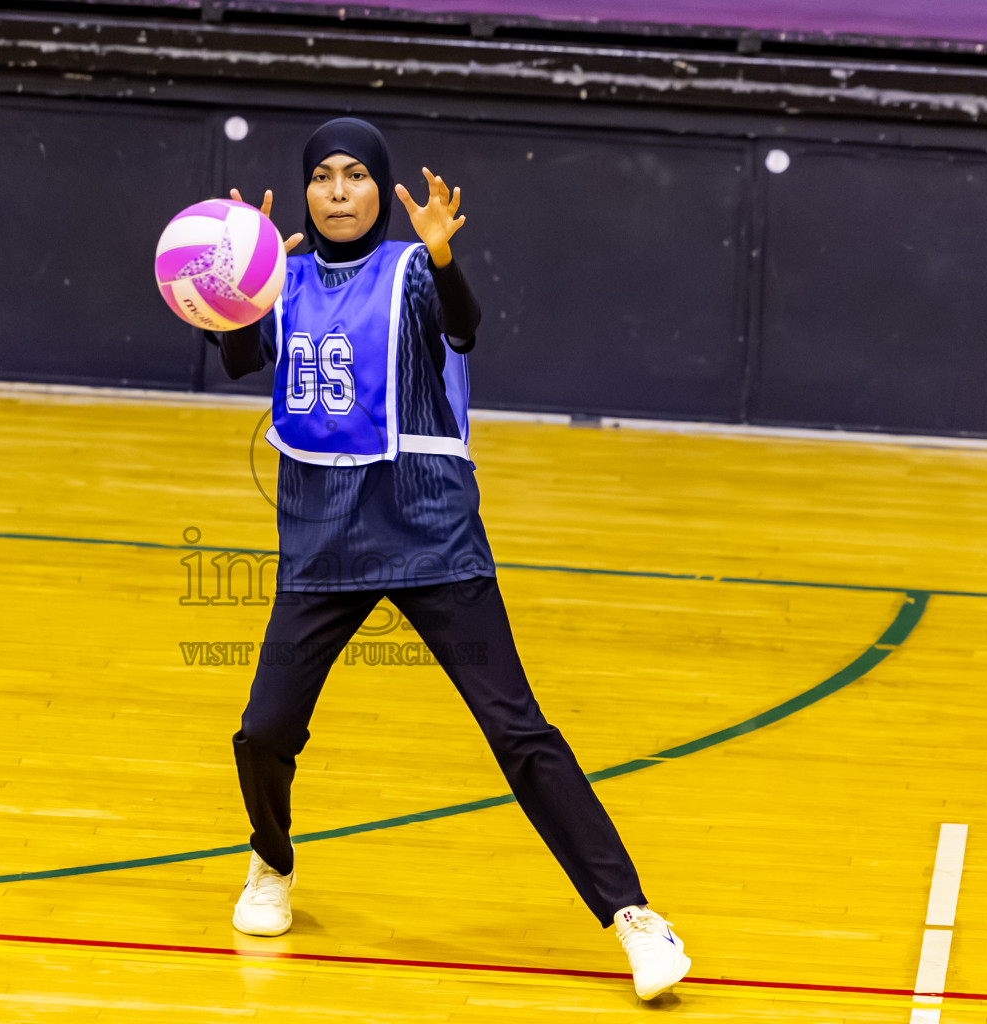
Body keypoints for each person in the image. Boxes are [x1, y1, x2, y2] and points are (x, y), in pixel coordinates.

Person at [206, 117, 691, 1000]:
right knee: (263, 730)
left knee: (520, 734)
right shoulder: (283, 280)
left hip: (431, 539)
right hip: (322, 545)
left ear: (376, 189)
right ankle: (270, 864)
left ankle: (635, 917)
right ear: (307, 192)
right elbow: (242, 362)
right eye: (324, 177)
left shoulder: (413, 274)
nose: (341, 191)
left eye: (357, 176)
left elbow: (463, 326)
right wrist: (236, 291)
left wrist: (443, 258)